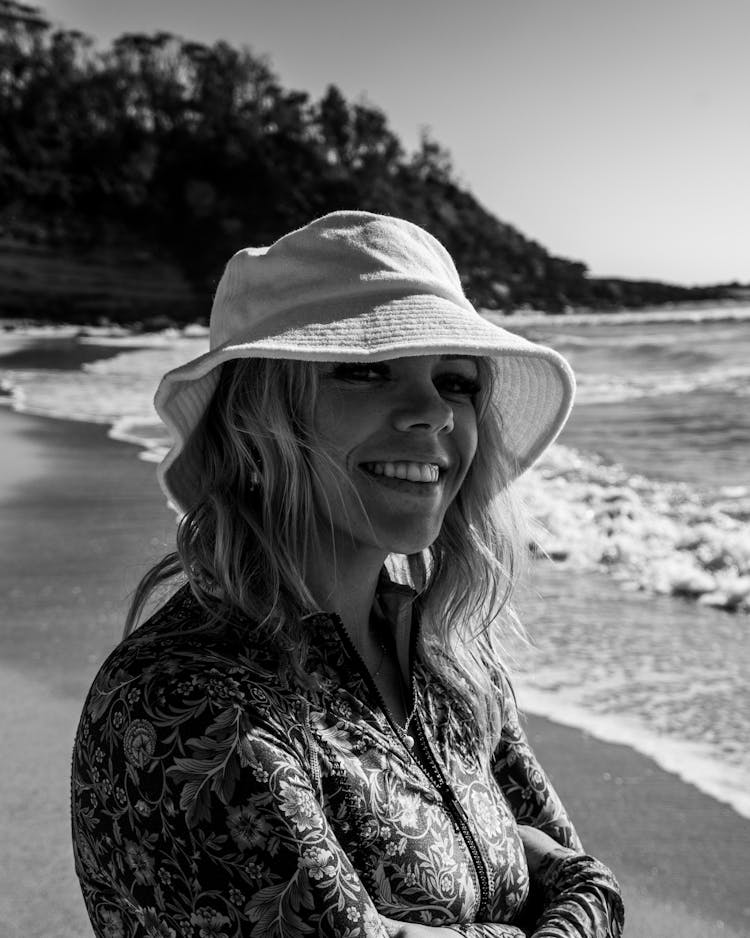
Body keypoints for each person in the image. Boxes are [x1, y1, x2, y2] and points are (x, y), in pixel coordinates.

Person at [71, 211, 624, 937]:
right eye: (366, 369)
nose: (432, 412)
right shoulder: (190, 705)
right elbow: (573, 891)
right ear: (255, 420)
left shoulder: (451, 659)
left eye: (456, 381)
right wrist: (547, 894)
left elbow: (586, 876)